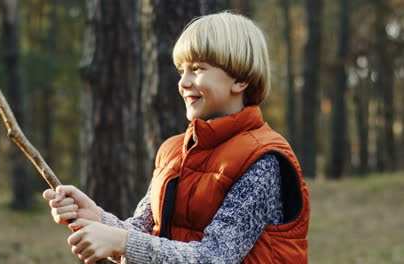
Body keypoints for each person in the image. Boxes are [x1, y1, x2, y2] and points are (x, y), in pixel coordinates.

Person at [43, 11, 310, 264]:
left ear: (239, 80)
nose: (183, 82)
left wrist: (121, 241)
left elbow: (215, 257)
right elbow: (144, 235)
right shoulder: (173, 152)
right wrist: (97, 218)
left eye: (197, 69)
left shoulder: (262, 159)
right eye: (181, 70)